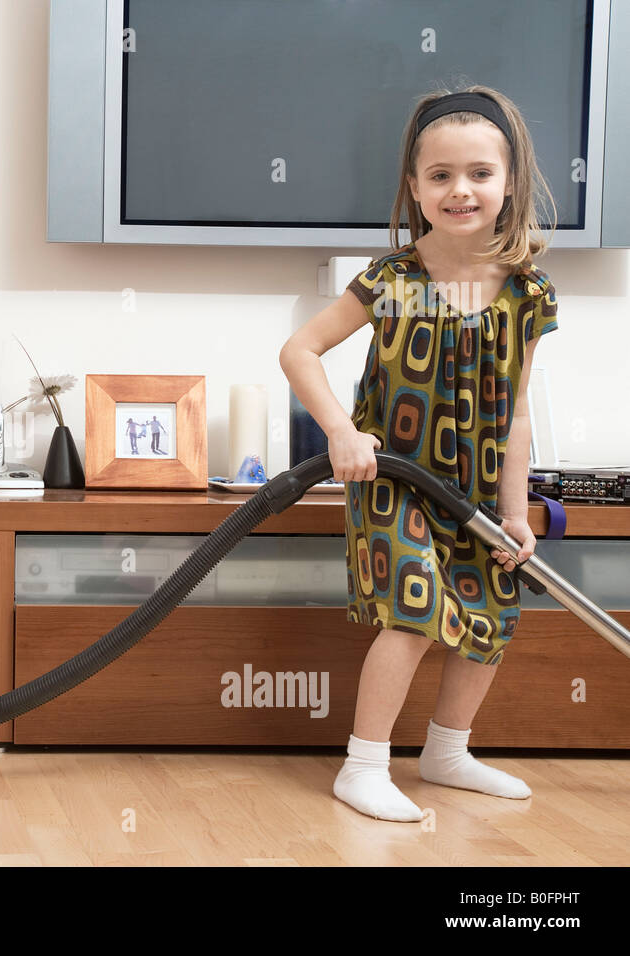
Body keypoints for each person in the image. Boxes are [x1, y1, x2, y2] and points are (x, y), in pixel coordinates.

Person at [278, 86, 560, 822]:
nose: (459, 189)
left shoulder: (529, 295)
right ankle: (363, 766)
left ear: (509, 183)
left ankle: (447, 752)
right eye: (439, 176)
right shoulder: (392, 281)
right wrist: (341, 431)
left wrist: (514, 514)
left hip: (475, 489)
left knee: (489, 612)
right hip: (395, 481)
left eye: (478, 174)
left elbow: (518, 412)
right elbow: (299, 350)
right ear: (415, 187)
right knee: (415, 611)